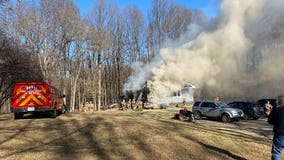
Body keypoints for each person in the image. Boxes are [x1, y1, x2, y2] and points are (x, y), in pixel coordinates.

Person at [268, 95, 284, 160]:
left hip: (279, 135)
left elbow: (270, 121)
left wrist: (269, 112)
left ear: (279, 102)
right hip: (280, 134)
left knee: (276, 152)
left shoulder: (276, 110)